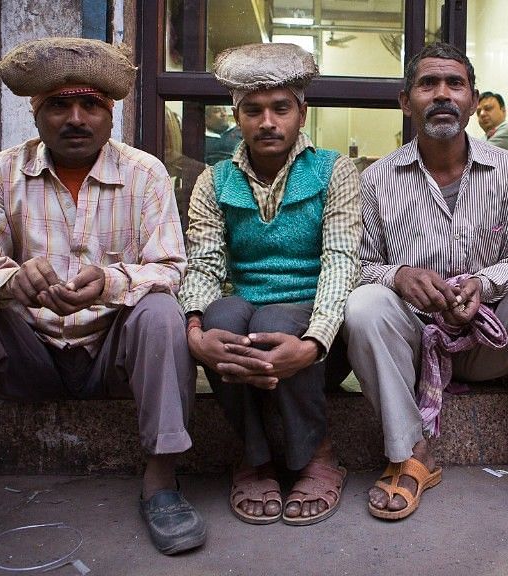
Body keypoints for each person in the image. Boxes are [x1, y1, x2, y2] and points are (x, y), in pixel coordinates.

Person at [0, 37, 204, 576]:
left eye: (91, 106)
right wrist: (11, 281)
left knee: (160, 313)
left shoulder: (145, 172)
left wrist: (110, 282)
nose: (75, 119)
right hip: (25, 351)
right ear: (35, 112)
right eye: (58, 105)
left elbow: (171, 269)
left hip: (111, 354)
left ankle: (161, 486)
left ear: (111, 114)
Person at [343, 42, 508, 535]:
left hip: (491, 338)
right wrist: (399, 276)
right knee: (364, 302)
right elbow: (358, 266)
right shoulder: (375, 180)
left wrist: (486, 281)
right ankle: (410, 453)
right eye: (427, 84)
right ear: (404, 100)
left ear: (472, 98)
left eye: (454, 84)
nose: (442, 95)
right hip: (418, 346)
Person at [180, 43, 361, 527]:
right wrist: (196, 332)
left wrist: (315, 341)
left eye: (281, 108)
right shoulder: (214, 181)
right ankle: (255, 459)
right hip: (248, 326)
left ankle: (318, 454)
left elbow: (342, 261)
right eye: (253, 110)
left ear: (301, 114)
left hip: (320, 337)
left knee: (275, 318)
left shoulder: (333, 170)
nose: (267, 122)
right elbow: (203, 262)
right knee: (222, 317)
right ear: (236, 116)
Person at [476, 91, 508, 158]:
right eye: (478, 112)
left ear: (503, 111)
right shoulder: (484, 137)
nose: (482, 114)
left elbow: (478, 154)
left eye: (488, 108)